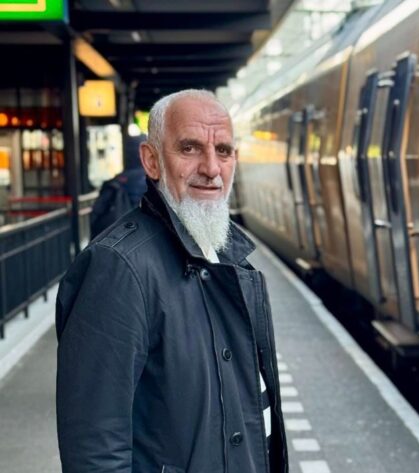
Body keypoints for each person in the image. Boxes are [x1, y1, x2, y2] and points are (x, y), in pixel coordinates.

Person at [55, 89, 287, 473]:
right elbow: (95, 449)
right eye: (190, 148)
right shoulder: (118, 268)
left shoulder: (226, 256)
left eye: (223, 151)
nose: (211, 168)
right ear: (152, 160)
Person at [89, 134, 147, 238]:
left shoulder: (115, 182)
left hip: (118, 238)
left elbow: (96, 214)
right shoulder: (157, 182)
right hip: (146, 238)